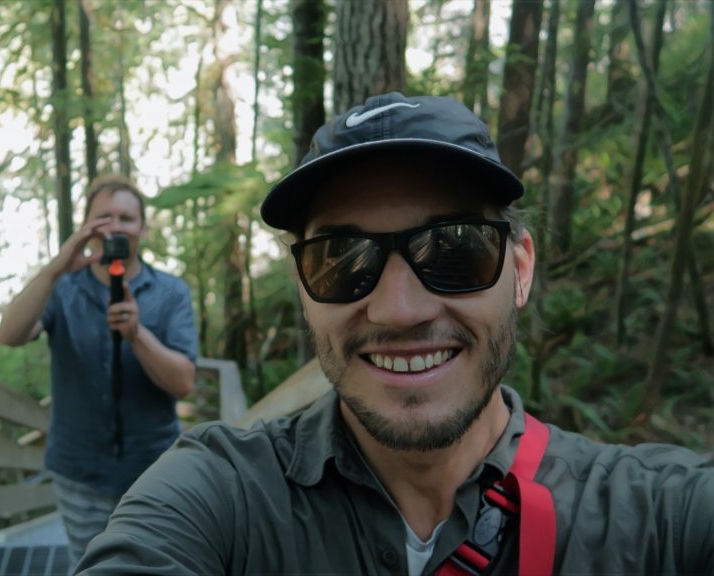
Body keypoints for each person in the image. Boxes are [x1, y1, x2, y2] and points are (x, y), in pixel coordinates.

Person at [76, 93, 714, 575]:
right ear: (303, 289)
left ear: (519, 271)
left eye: (454, 250)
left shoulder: (656, 516)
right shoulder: (223, 496)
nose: (399, 309)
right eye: (341, 259)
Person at [0, 174, 198, 571]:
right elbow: (9, 334)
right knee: (90, 565)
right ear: (87, 227)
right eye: (104, 217)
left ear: (143, 228)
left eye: (127, 217)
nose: (116, 227)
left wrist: (137, 335)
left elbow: (184, 383)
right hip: (79, 470)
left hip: (154, 468)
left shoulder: (171, 293)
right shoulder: (63, 288)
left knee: (156, 564)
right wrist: (55, 268)